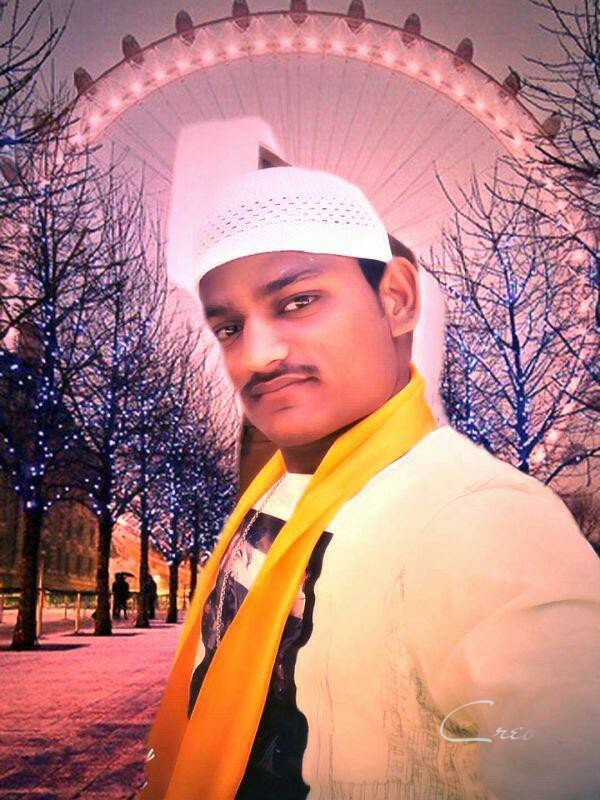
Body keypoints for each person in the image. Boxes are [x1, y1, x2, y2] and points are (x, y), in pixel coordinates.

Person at [140, 167, 600, 800]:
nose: (257, 355)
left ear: (398, 299)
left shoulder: (484, 521)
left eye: (298, 302)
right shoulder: (270, 496)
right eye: (229, 328)